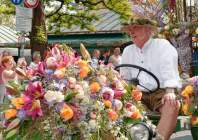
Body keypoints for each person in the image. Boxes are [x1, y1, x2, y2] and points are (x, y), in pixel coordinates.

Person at [121, 18, 181, 140]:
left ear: (148, 29)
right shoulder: (128, 51)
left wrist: (170, 91)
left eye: (136, 28)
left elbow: (169, 69)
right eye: (130, 29)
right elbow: (124, 78)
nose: (131, 32)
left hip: (160, 92)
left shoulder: (162, 45)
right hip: (136, 94)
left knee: (172, 104)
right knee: (116, 105)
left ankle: (159, 138)